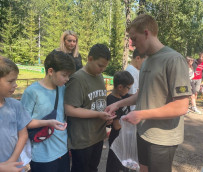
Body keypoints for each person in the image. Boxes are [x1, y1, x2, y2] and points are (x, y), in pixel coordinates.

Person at [105, 14, 191, 172]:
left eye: (134, 38)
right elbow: (142, 93)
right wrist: (118, 104)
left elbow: (181, 106)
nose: (132, 44)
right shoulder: (147, 62)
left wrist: (141, 114)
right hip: (143, 132)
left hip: (162, 139)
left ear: (146, 33)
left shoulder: (174, 59)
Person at [21, 51, 76, 172]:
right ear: (51, 71)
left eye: (69, 75)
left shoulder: (62, 88)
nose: (67, 79)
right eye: (64, 75)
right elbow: (23, 123)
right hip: (43, 156)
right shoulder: (32, 92)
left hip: (63, 150)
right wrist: (47, 123)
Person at [64, 44, 115, 172]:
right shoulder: (77, 79)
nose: (102, 69)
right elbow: (69, 109)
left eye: (105, 66)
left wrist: (106, 115)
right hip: (82, 139)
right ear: (90, 59)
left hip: (97, 135)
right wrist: (98, 115)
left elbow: (99, 102)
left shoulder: (99, 76)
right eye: (100, 65)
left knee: (93, 168)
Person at [0, 56, 31, 170]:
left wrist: (11, 161)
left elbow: (23, 135)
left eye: (16, 80)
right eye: (10, 81)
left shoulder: (16, 105)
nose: (16, 85)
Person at [106, 71, 134, 172]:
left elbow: (136, 97)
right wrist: (130, 121)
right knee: (114, 164)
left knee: (125, 163)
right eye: (128, 88)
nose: (129, 90)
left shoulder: (124, 96)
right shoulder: (111, 99)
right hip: (116, 138)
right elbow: (117, 125)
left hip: (125, 136)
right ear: (120, 87)